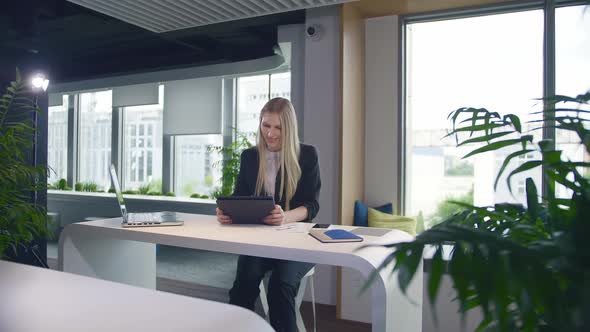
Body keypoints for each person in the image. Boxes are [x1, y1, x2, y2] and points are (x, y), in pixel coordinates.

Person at [216, 97, 321, 332]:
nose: (270, 134)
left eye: (278, 128)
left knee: (280, 287)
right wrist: (228, 212)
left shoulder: (307, 155)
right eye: (266, 125)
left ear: (289, 128)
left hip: (299, 241)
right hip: (262, 239)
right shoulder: (250, 157)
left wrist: (286, 216)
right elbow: (239, 197)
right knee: (243, 285)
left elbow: (312, 205)